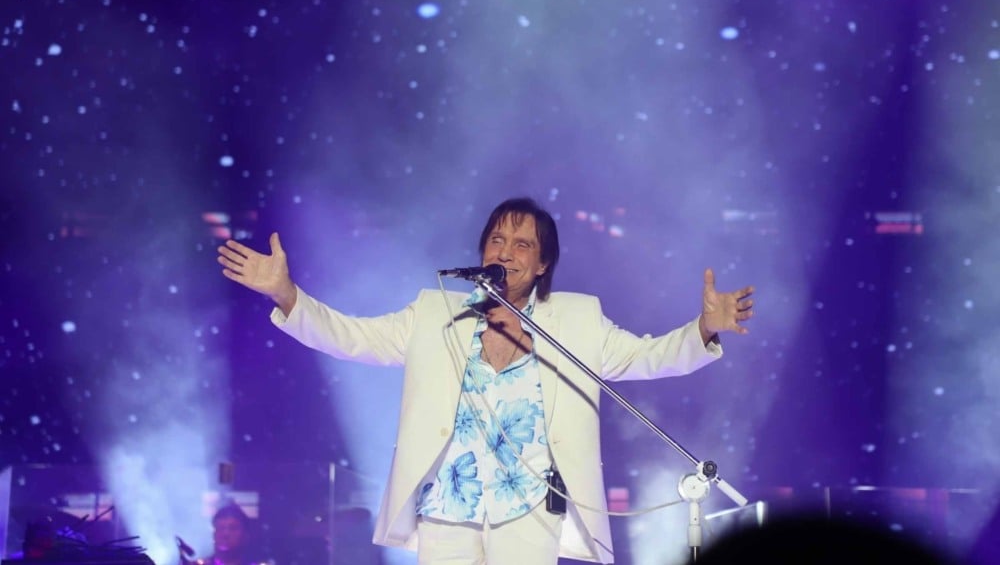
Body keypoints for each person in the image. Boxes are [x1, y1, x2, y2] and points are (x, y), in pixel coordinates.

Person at [217, 197, 754, 564]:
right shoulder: (436, 313)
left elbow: (649, 357)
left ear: (542, 264)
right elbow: (352, 337)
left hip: (530, 510)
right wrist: (287, 295)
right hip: (448, 506)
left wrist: (705, 327)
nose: (505, 251)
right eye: (497, 239)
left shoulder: (577, 320)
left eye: (522, 244)